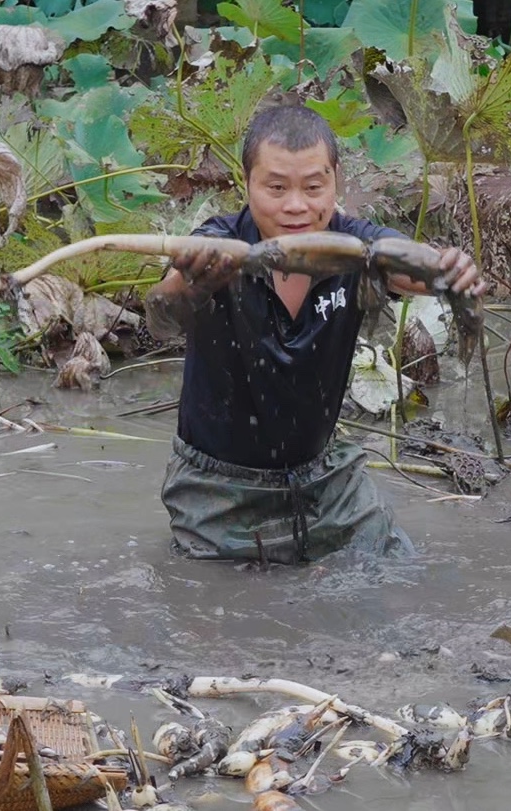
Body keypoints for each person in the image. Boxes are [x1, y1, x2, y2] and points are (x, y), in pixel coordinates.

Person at [143, 105, 484, 564]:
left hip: (326, 481)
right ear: (247, 184)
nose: (297, 206)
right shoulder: (217, 245)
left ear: (336, 180)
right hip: (217, 489)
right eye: (277, 188)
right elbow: (160, 316)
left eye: (313, 187)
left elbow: (411, 264)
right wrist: (191, 281)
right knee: (221, 608)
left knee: (397, 572)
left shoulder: (357, 247)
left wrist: (448, 269)